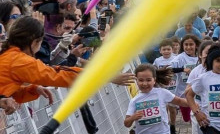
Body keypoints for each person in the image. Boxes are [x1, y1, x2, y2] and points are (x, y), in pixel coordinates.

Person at [0, 17, 133, 103]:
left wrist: (32, 89)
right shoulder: (20, 61)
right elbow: (59, 75)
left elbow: (11, 92)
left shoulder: (9, 55)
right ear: (35, 42)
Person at [153, 38, 180, 134]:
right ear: (160, 51)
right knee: (164, 108)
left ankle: (172, 125)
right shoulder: (157, 61)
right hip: (162, 88)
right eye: (164, 49)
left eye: (168, 49)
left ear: (172, 49)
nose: (166, 51)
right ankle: (165, 126)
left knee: (172, 108)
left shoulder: (176, 58)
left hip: (174, 87)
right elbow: (154, 71)